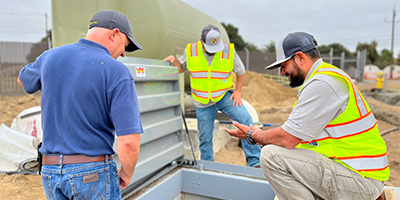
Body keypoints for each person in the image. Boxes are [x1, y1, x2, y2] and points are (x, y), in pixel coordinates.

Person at [225, 32, 390, 199]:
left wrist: (254, 135)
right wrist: (260, 137)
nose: (282, 72)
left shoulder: (322, 84)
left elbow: (287, 138)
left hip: (360, 181)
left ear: (300, 58)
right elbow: (296, 139)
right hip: (357, 175)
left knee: (271, 157)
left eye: (284, 65)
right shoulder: (324, 78)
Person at [17, 10, 143, 199]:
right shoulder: (116, 71)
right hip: (92, 174)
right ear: (114, 33)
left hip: (50, 172)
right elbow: (129, 141)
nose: (124, 53)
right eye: (125, 45)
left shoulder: (50, 57)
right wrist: (126, 173)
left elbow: (22, 80)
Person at [164, 25, 261, 167]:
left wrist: (238, 92)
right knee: (205, 137)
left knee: (245, 118)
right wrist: (174, 61)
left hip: (224, 95)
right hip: (202, 102)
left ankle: (255, 162)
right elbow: (180, 69)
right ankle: (208, 167)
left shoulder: (228, 50)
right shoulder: (191, 50)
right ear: (201, 41)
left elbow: (240, 72)